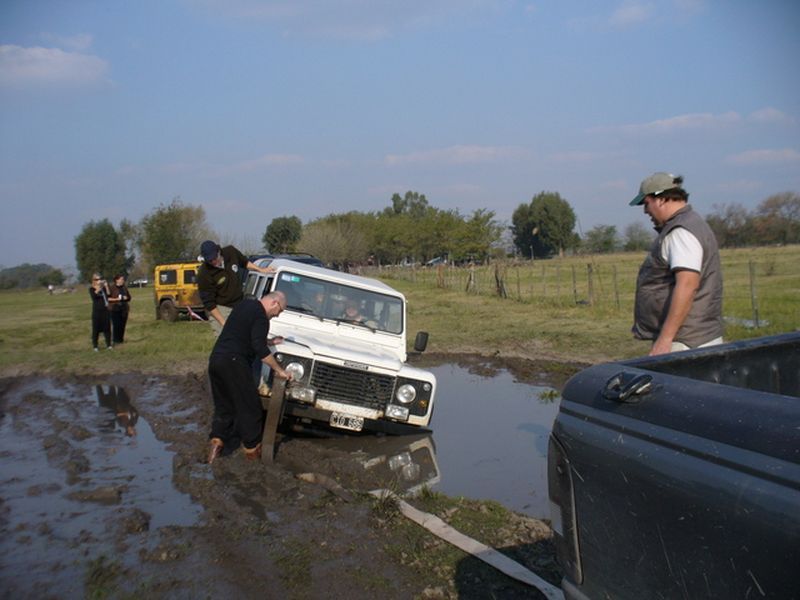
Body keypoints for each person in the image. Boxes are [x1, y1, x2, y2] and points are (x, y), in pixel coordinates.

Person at [629, 172, 723, 355]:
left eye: (646, 203)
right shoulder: (693, 223)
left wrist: (665, 338)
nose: (645, 211)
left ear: (660, 199)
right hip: (696, 337)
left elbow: (687, 285)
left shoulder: (680, 232)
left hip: (685, 342)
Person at [207, 291, 293, 464]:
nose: (277, 315)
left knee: (224, 405)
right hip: (234, 363)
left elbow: (244, 333)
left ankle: (216, 445)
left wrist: (269, 341)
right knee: (250, 407)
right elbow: (260, 350)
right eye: (280, 310)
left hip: (216, 360)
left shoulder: (244, 306)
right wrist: (280, 370)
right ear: (274, 303)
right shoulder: (261, 317)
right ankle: (252, 451)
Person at [196, 240, 273, 335]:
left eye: (214, 258)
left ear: (218, 251)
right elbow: (209, 303)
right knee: (225, 338)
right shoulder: (204, 273)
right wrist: (223, 322)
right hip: (220, 308)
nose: (213, 262)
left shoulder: (231, 252)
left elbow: (245, 263)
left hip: (238, 304)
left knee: (242, 336)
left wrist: (261, 270)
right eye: (209, 260)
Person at [89, 273, 112, 351]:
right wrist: (99, 288)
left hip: (105, 310)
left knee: (107, 328)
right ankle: (95, 346)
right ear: (94, 280)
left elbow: (109, 294)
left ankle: (109, 345)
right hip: (97, 311)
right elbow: (94, 297)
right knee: (96, 329)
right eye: (97, 279)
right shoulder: (91, 289)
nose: (99, 280)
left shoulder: (104, 288)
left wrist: (106, 286)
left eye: (100, 279)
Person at [108, 274, 131, 344]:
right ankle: (116, 340)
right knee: (116, 325)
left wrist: (126, 298)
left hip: (124, 309)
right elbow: (107, 298)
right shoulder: (112, 288)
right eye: (121, 279)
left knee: (122, 325)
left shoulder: (124, 288)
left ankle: (121, 340)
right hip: (114, 309)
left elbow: (129, 297)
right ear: (117, 280)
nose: (123, 280)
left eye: (123, 279)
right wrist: (116, 299)